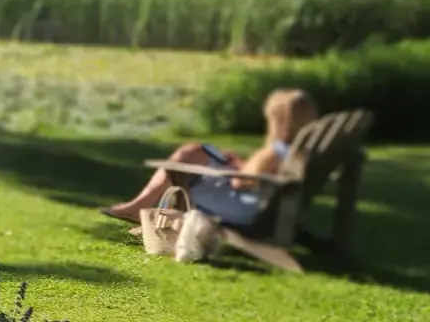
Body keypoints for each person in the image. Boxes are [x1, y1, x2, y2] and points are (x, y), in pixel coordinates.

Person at [104, 88, 319, 229]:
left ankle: (139, 207)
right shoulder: (294, 151)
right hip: (254, 205)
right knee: (196, 151)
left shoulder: (275, 151)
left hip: (242, 209)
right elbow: (257, 180)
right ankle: (139, 206)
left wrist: (236, 169)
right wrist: (240, 165)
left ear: (279, 121)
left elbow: (240, 183)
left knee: (188, 159)